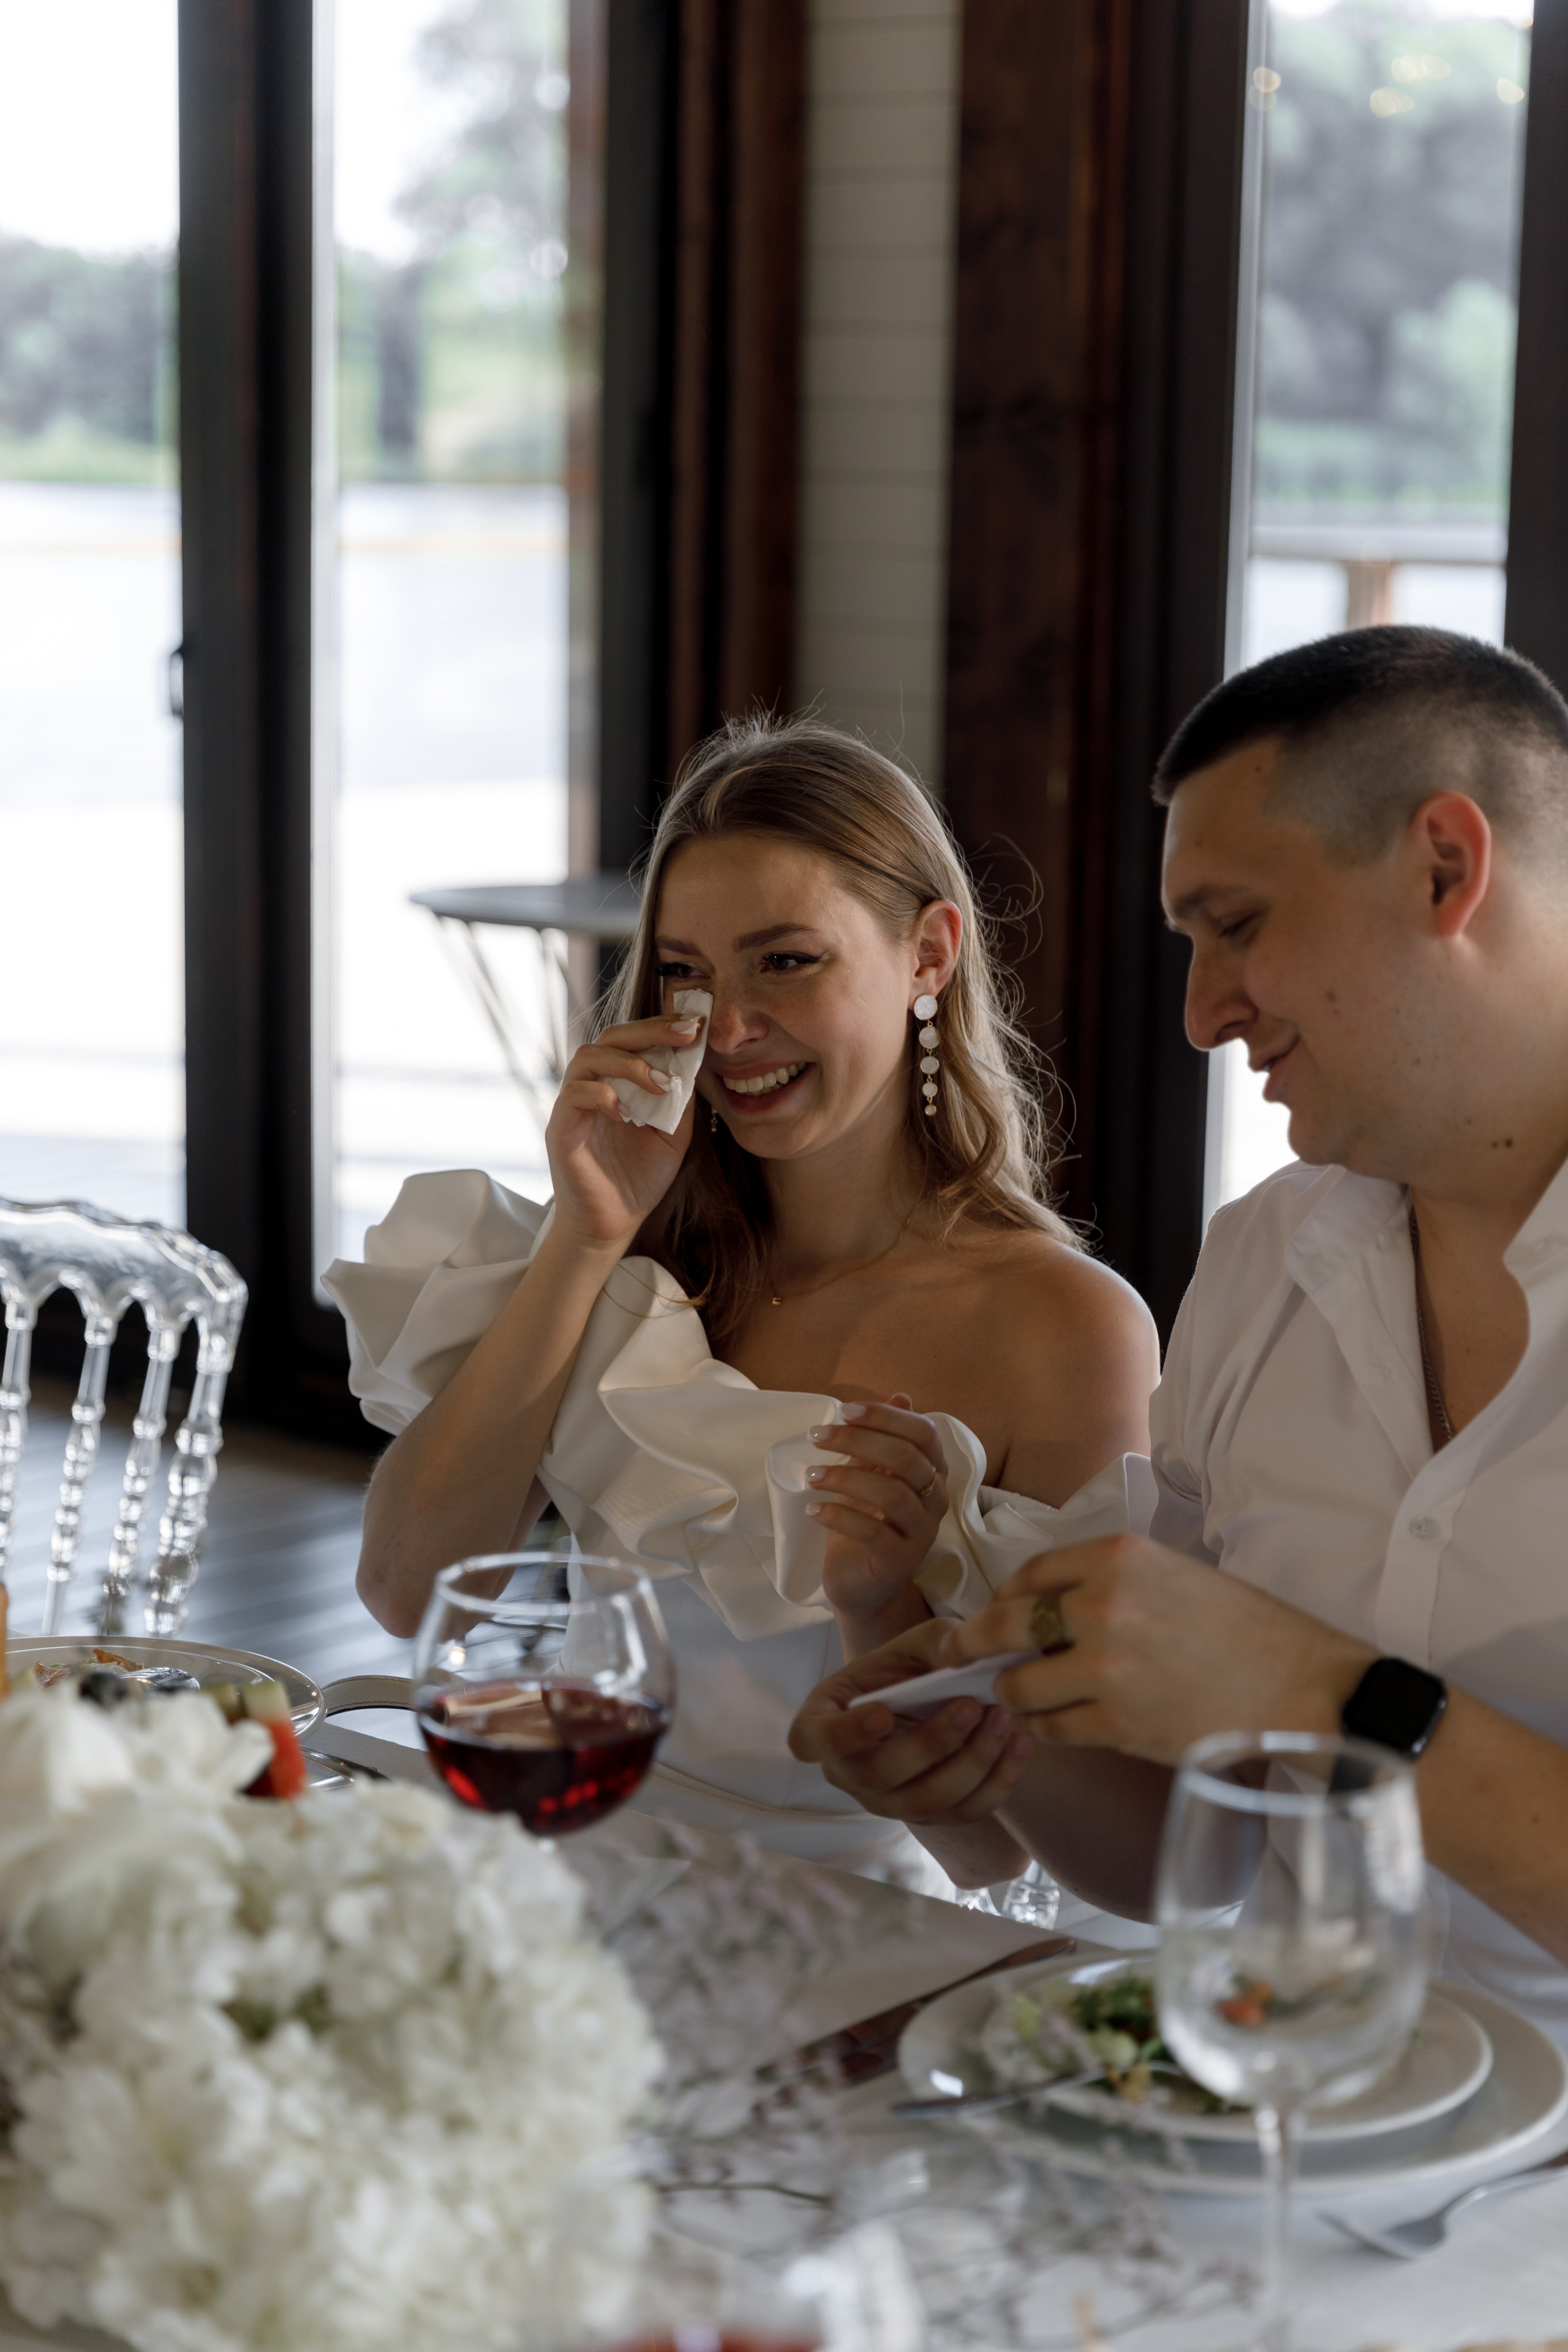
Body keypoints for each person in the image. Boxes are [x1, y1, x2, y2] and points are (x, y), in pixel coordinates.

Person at [790, 625, 1568, 2031]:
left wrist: (1315, 1689)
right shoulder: (1261, 1264)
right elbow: (1179, 1865)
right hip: (1257, 2091)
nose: (1203, 1017)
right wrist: (1000, 1733)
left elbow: (1284, 1693)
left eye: (1238, 925)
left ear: (1442, 868)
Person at [326, 717, 1156, 1885]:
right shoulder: (642, 1260)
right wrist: (585, 1237)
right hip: (568, 1863)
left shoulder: (1063, 1330)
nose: (728, 1027)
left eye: (787, 960)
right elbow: (406, 1593)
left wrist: (881, 1605)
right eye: (687, 972)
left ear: (929, 955)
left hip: (856, 1926)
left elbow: (992, 1855)